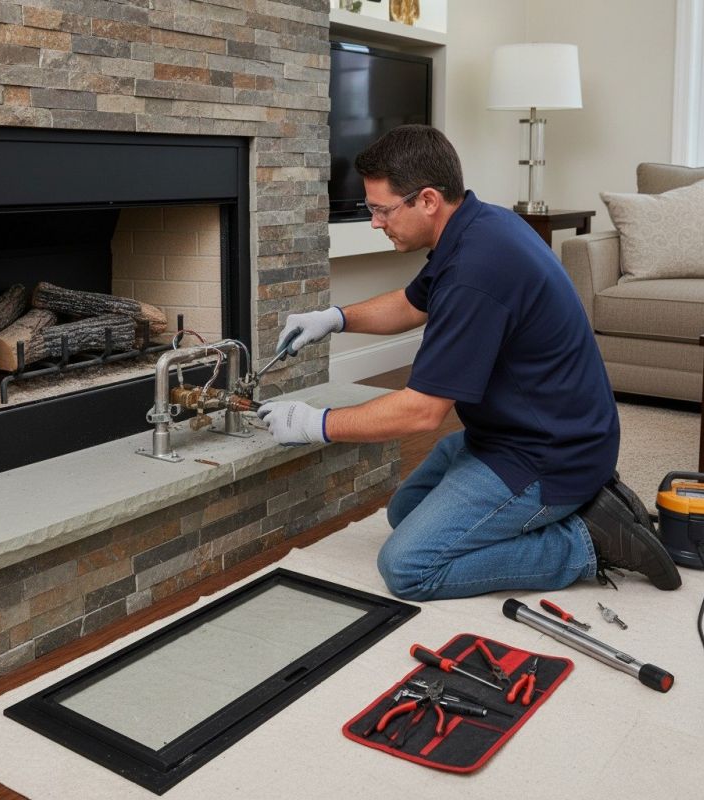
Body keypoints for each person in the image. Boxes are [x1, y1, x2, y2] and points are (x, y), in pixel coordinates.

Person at [257, 124, 681, 600]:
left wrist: (317, 424)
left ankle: (587, 542)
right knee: (405, 514)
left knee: (408, 566)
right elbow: (413, 303)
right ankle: (578, 510)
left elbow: (422, 412)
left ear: (429, 200)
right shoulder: (477, 225)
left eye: (381, 209)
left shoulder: (475, 273)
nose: (375, 222)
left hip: (550, 455)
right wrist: (333, 318)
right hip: (510, 435)